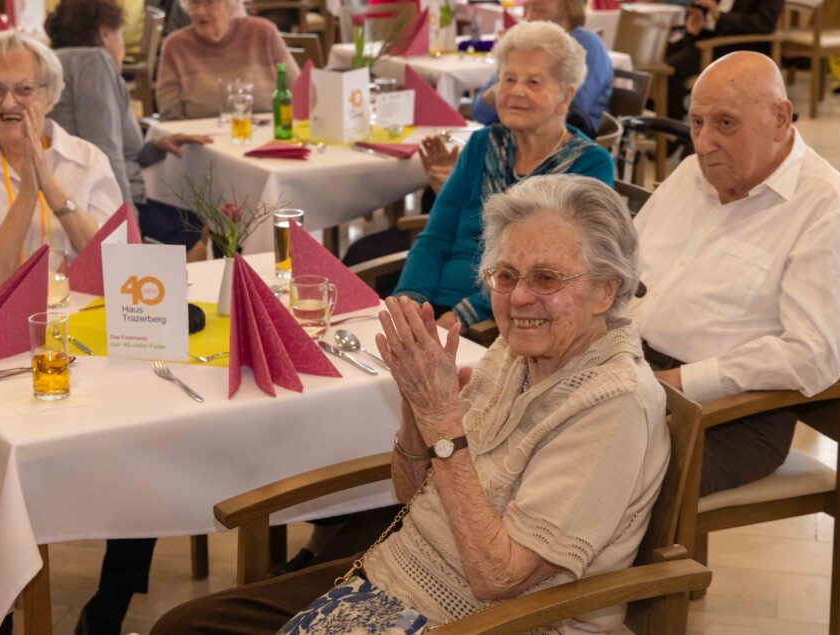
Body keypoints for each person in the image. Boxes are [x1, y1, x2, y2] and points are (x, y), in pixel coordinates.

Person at [151, 175, 669, 634]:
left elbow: (499, 578)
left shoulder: (613, 404)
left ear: (606, 290)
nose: (519, 298)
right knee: (184, 626)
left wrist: (444, 419)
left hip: (500, 620)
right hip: (401, 570)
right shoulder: (516, 354)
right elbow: (411, 494)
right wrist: (416, 407)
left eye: (547, 279)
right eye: (506, 276)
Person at [627, 51, 840, 496]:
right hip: (633, 373)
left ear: (780, 118)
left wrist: (677, 384)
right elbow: (620, 267)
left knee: (578, 472)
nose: (703, 143)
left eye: (725, 123)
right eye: (696, 122)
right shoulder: (692, 174)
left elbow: (812, 353)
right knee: (508, 434)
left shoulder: (828, 207)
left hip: (729, 417)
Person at [394, 21, 615, 331]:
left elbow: (549, 275)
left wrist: (461, 317)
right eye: (508, 79)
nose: (516, 92)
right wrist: (410, 304)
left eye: (534, 82)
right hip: (434, 309)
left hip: (505, 324)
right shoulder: (483, 143)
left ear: (566, 97)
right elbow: (435, 237)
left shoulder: (590, 166)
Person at [0, 31, 123, 293]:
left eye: (24, 89)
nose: (8, 102)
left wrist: (51, 189)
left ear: (50, 98)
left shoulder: (88, 160)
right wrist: (27, 195)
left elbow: (115, 266)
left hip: (81, 313)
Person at [46, 0, 212, 262]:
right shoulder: (94, 64)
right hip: (99, 205)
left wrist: (155, 147)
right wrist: (128, 230)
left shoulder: (60, 60)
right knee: (196, 234)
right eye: (121, 35)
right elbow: (104, 155)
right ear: (104, 34)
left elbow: (98, 145)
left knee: (194, 222)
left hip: (77, 197)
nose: (122, 45)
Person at [471, 0, 613, 131]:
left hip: (567, 151)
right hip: (516, 144)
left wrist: (508, 89)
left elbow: (570, 111)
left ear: (570, 2)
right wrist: (506, 85)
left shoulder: (587, 45)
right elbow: (480, 111)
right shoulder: (523, 43)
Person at [156, 0, 298, 120]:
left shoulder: (264, 34)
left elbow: (304, 94)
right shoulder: (176, 47)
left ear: (234, 3)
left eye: (210, 1)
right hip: (201, 142)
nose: (200, 11)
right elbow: (170, 118)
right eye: (194, 1)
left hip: (267, 139)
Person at [664, 0, 784, 120]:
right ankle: (659, 126)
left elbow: (764, 22)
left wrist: (720, 15)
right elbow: (700, 1)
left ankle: (675, 134)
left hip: (735, 47)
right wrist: (697, 16)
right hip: (705, 38)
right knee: (652, 60)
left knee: (669, 69)